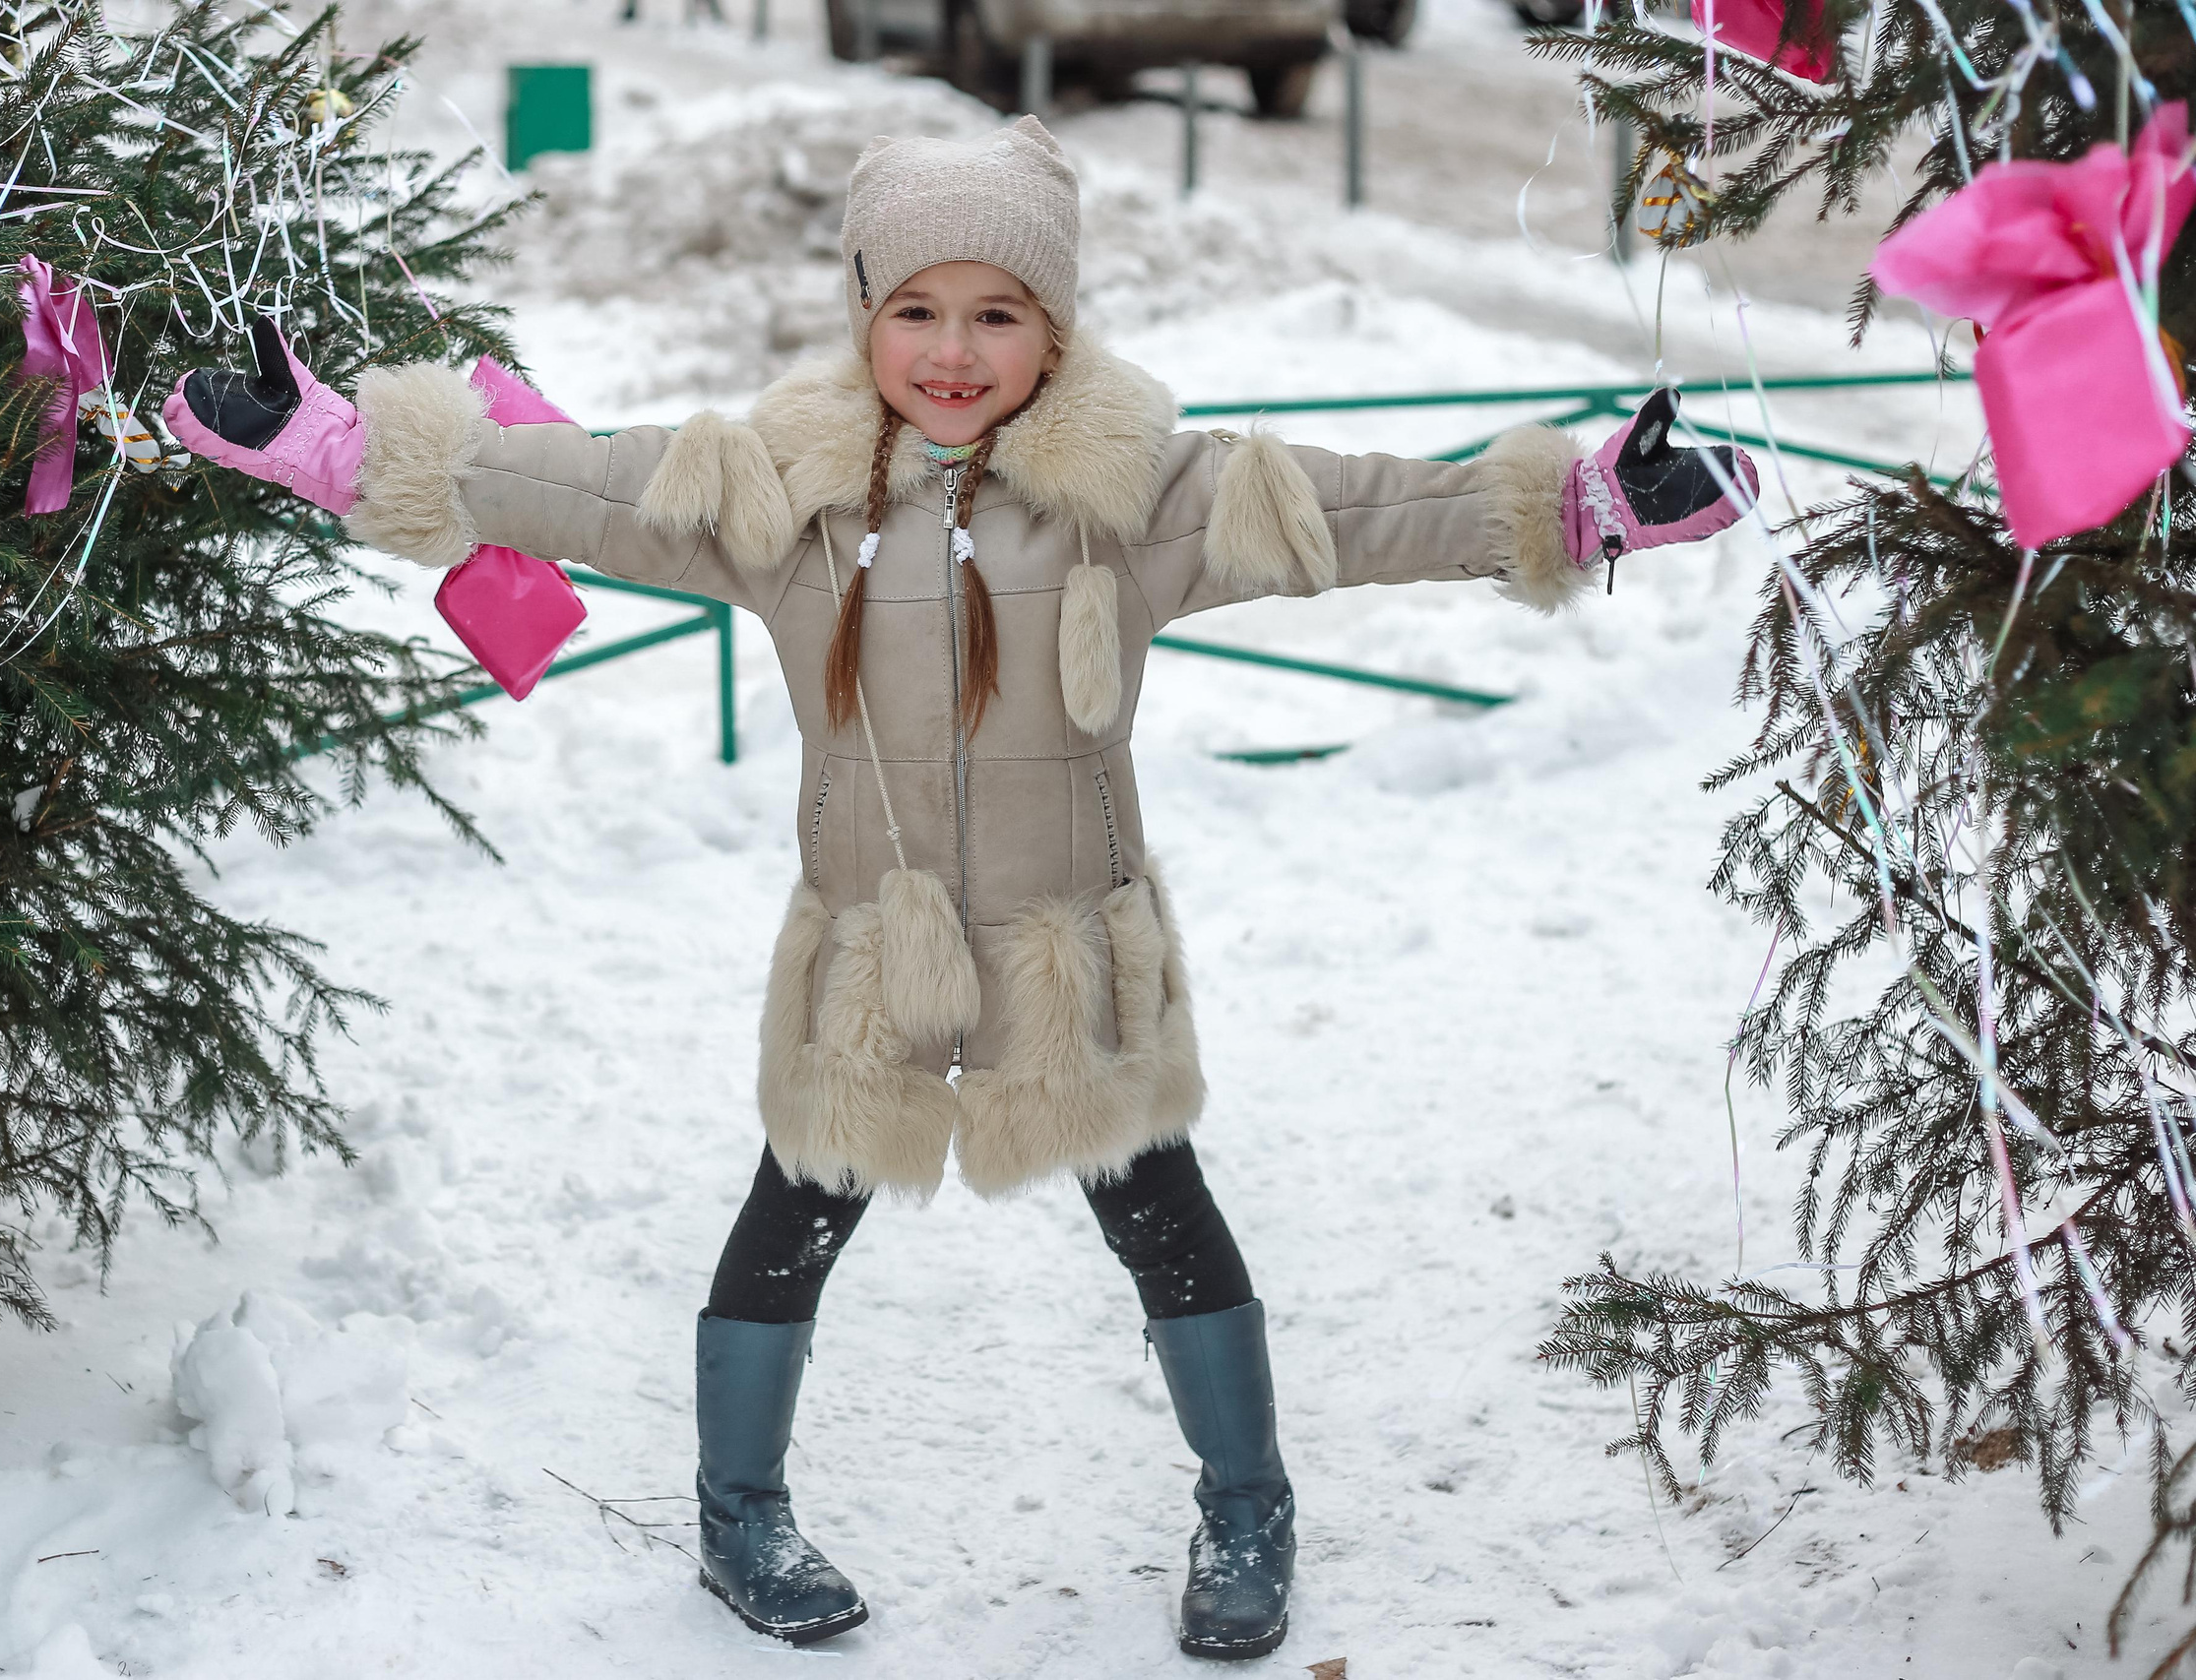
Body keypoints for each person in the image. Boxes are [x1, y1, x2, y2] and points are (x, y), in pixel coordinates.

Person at [162, 116, 1755, 1661]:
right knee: (797, 1209)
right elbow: (575, 486)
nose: (953, 346)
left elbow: (1355, 510)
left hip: (1076, 941)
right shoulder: (786, 495)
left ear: (1052, 329)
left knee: (1165, 1219)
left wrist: (1576, 503)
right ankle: (738, 1514)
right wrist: (344, 450)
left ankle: (1249, 1511)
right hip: (874, 940)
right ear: (865, 312)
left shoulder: (1136, 495)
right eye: (915, 307)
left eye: (998, 312)